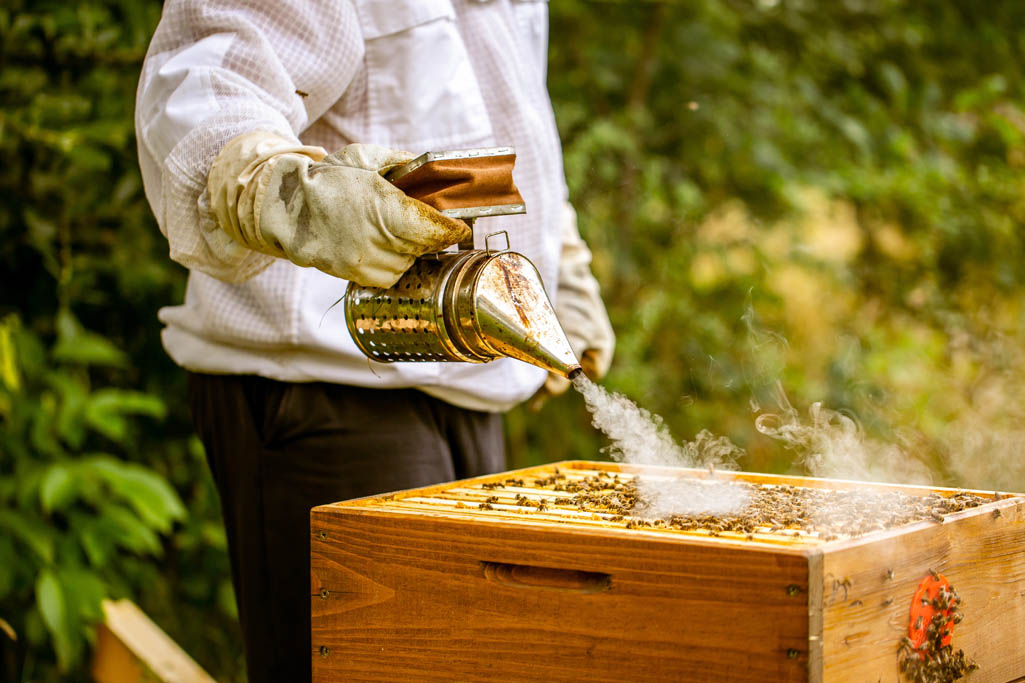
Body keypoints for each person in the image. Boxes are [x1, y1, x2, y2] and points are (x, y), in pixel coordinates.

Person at [135, 2, 614, 681]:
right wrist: (278, 189)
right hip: (326, 393)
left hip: (474, 381)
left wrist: (561, 267)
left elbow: (512, 113)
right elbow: (207, 82)